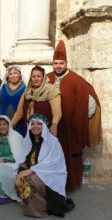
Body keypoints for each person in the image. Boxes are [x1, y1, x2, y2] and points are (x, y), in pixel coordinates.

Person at [46, 40, 101, 191]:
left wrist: (79, 121)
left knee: (68, 155)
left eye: (61, 63)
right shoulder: (47, 78)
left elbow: (91, 102)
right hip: (51, 127)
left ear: (66, 63)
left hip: (69, 129)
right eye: (55, 63)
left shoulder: (76, 81)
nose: (58, 66)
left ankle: (68, 185)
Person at [15, 114, 74, 217]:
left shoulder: (53, 142)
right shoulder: (28, 142)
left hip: (51, 177)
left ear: (44, 126)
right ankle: (35, 203)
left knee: (32, 179)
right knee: (19, 178)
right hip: (34, 174)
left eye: (39, 124)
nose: (35, 126)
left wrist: (31, 170)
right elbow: (23, 160)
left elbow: (52, 164)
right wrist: (20, 173)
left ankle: (40, 210)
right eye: (32, 124)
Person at [11, 65, 61, 137]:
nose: (36, 79)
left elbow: (57, 111)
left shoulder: (51, 91)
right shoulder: (27, 93)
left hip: (46, 133)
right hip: (30, 133)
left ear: (43, 78)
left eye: (39, 76)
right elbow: (19, 113)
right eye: (33, 76)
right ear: (31, 78)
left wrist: (54, 125)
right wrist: (9, 126)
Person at [0, 65, 26, 136]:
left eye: (15, 73)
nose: (13, 76)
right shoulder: (3, 87)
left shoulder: (25, 88)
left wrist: (15, 122)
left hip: (19, 124)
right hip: (3, 124)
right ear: (8, 76)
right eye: (10, 74)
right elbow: (0, 105)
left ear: (20, 74)